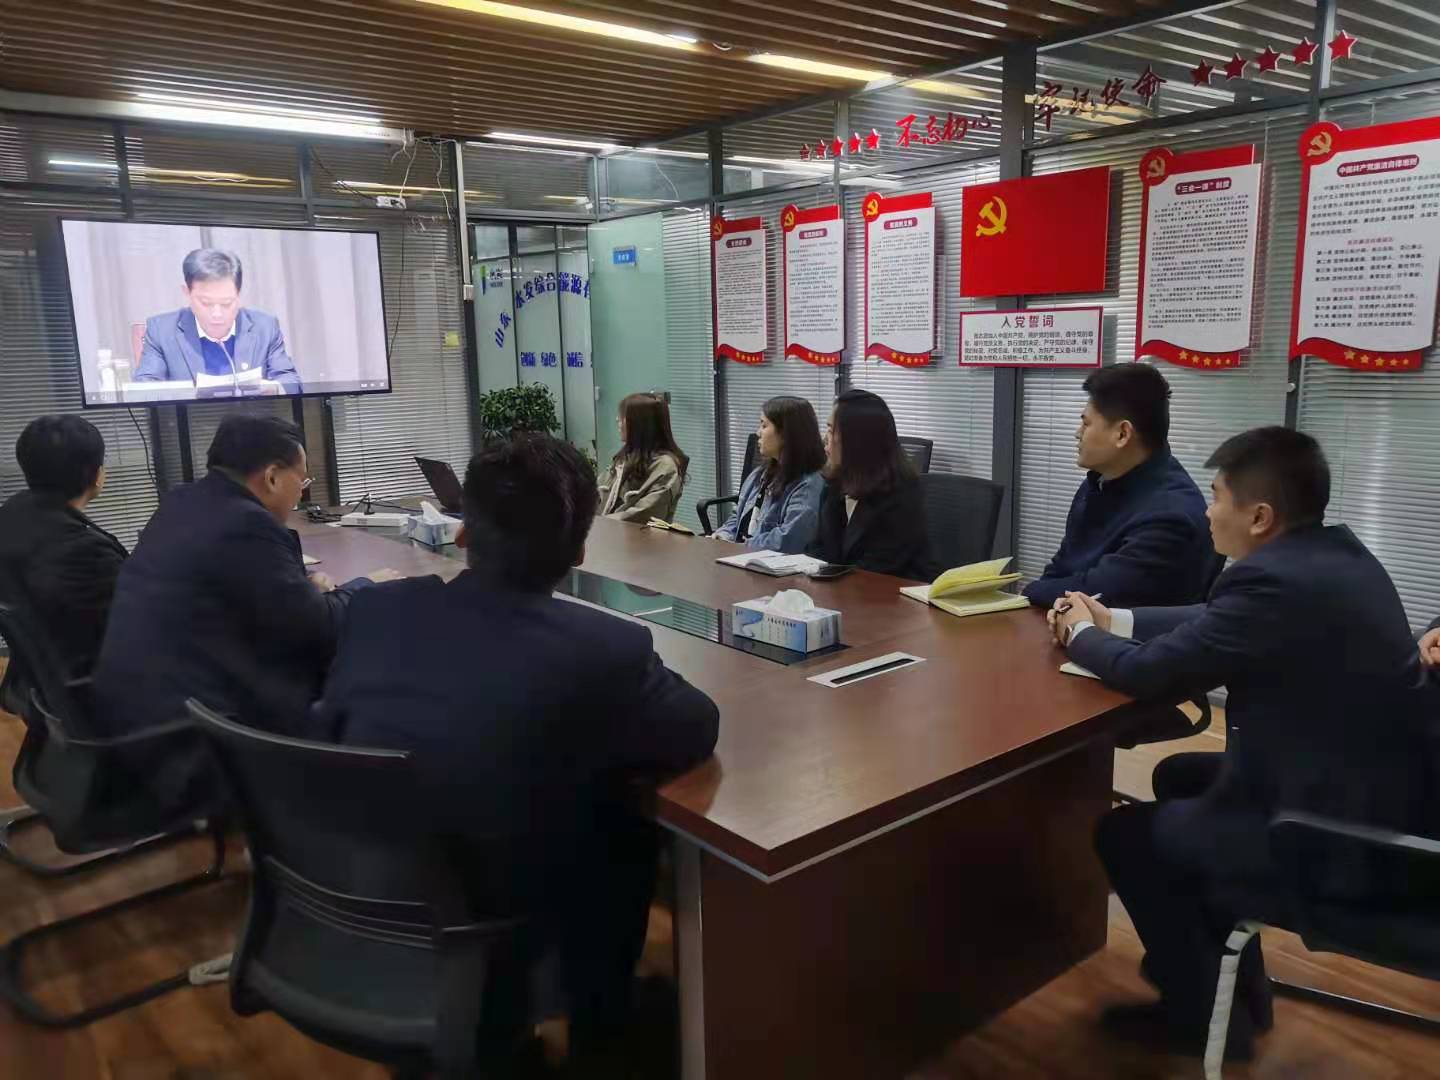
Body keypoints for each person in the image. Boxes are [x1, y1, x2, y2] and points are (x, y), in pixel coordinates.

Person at [314, 433, 718, 1071]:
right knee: (626, 827)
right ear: (579, 551)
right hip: (493, 924)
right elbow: (695, 726)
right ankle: (603, 1029)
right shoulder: (602, 649)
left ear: (463, 534)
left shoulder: (373, 612)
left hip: (353, 902)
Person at [1052, 427, 1440, 1060]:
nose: (1206, 511)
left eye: (1215, 496)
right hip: (1378, 787)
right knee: (1179, 776)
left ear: (1259, 517)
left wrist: (1078, 635)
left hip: (1345, 839)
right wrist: (1111, 618)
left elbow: (1148, 673)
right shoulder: (1334, 556)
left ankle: (1201, 1019)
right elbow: (1217, 624)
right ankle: (1235, 992)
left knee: (1126, 837)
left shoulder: (1271, 584)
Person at [94, 415, 395, 807]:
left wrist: (305, 590)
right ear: (272, 477)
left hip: (139, 725)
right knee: (374, 672)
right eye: (302, 480)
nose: (302, 492)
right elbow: (319, 630)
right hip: (200, 747)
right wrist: (367, 586)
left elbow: (246, 594)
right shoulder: (246, 523)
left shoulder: (183, 502)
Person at [1024, 364, 1212, 609]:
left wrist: (1031, 591)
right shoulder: (1100, 482)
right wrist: (1038, 592)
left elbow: (1099, 594)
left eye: (1086, 424)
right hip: (1070, 624)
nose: (1077, 433)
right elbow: (1063, 565)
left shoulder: (1171, 516)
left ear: (1122, 434)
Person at [0, 415, 127, 680]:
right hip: (103, 685)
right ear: (96, 475)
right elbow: (141, 628)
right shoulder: (88, 555)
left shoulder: (11, 516)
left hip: (41, 682)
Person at [135, 248, 300, 394]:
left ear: (239, 295)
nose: (217, 314)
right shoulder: (161, 331)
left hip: (253, 417)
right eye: (206, 303)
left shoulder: (265, 327)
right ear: (187, 293)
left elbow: (291, 381)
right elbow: (145, 386)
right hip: (191, 418)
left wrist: (274, 388)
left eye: (226, 303)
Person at [808, 389, 933, 580]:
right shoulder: (835, 483)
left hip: (891, 592)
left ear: (856, 440)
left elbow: (879, 568)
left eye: (832, 431)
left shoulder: (900, 493)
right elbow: (818, 547)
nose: (825, 438)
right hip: (843, 589)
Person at [713, 396, 826, 553]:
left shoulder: (808, 485)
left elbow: (789, 539)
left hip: (767, 563)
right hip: (742, 556)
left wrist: (741, 547)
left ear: (785, 434)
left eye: (764, 425)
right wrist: (722, 536)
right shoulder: (759, 474)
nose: (758, 432)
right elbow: (737, 517)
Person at [597, 392, 688, 523]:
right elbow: (595, 494)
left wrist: (599, 523)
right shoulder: (625, 458)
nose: (617, 420)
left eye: (623, 416)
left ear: (639, 424)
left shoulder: (666, 466)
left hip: (636, 534)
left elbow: (643, 515)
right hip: (607, 530)